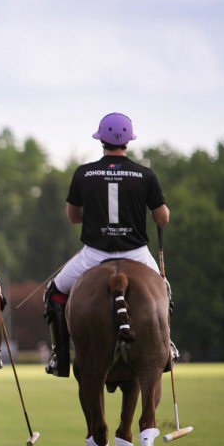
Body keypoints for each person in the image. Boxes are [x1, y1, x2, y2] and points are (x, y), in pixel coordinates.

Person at [43, 112, 178, 377]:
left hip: (94, 255)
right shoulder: (145, 174)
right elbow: (162, 218)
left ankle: (60, 356)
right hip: (136, 254)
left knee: (54, 292)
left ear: (101, 139)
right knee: (164, 290)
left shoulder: (84, 173)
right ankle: (166, 347)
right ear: (128, 140)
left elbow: (73, 217)